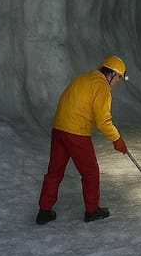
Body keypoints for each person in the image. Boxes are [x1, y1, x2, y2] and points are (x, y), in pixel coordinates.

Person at [35, 55, 130, 225]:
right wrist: (117, 140)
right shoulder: (102, 87)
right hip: (76, 133)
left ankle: (44, 211)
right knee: (91, 172)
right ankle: (92, 210)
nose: (117, 82)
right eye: (118, 78)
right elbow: (103, 120)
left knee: (54, 172)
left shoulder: (82, 78)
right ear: (113, 74)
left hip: (58, 128)